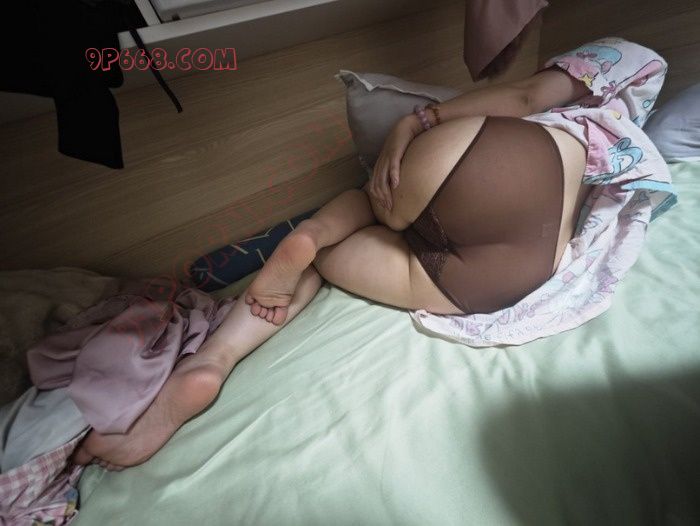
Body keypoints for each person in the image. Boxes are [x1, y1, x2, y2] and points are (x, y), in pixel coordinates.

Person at [72, 37, 676, 469]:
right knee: (368, 251)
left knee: (352, 216)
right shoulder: (637, 134)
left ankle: (288, 263)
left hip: (494, 157)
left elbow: (521, 97)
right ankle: (221, 355)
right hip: (512, 267)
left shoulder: (632, 54)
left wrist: (420, 121)